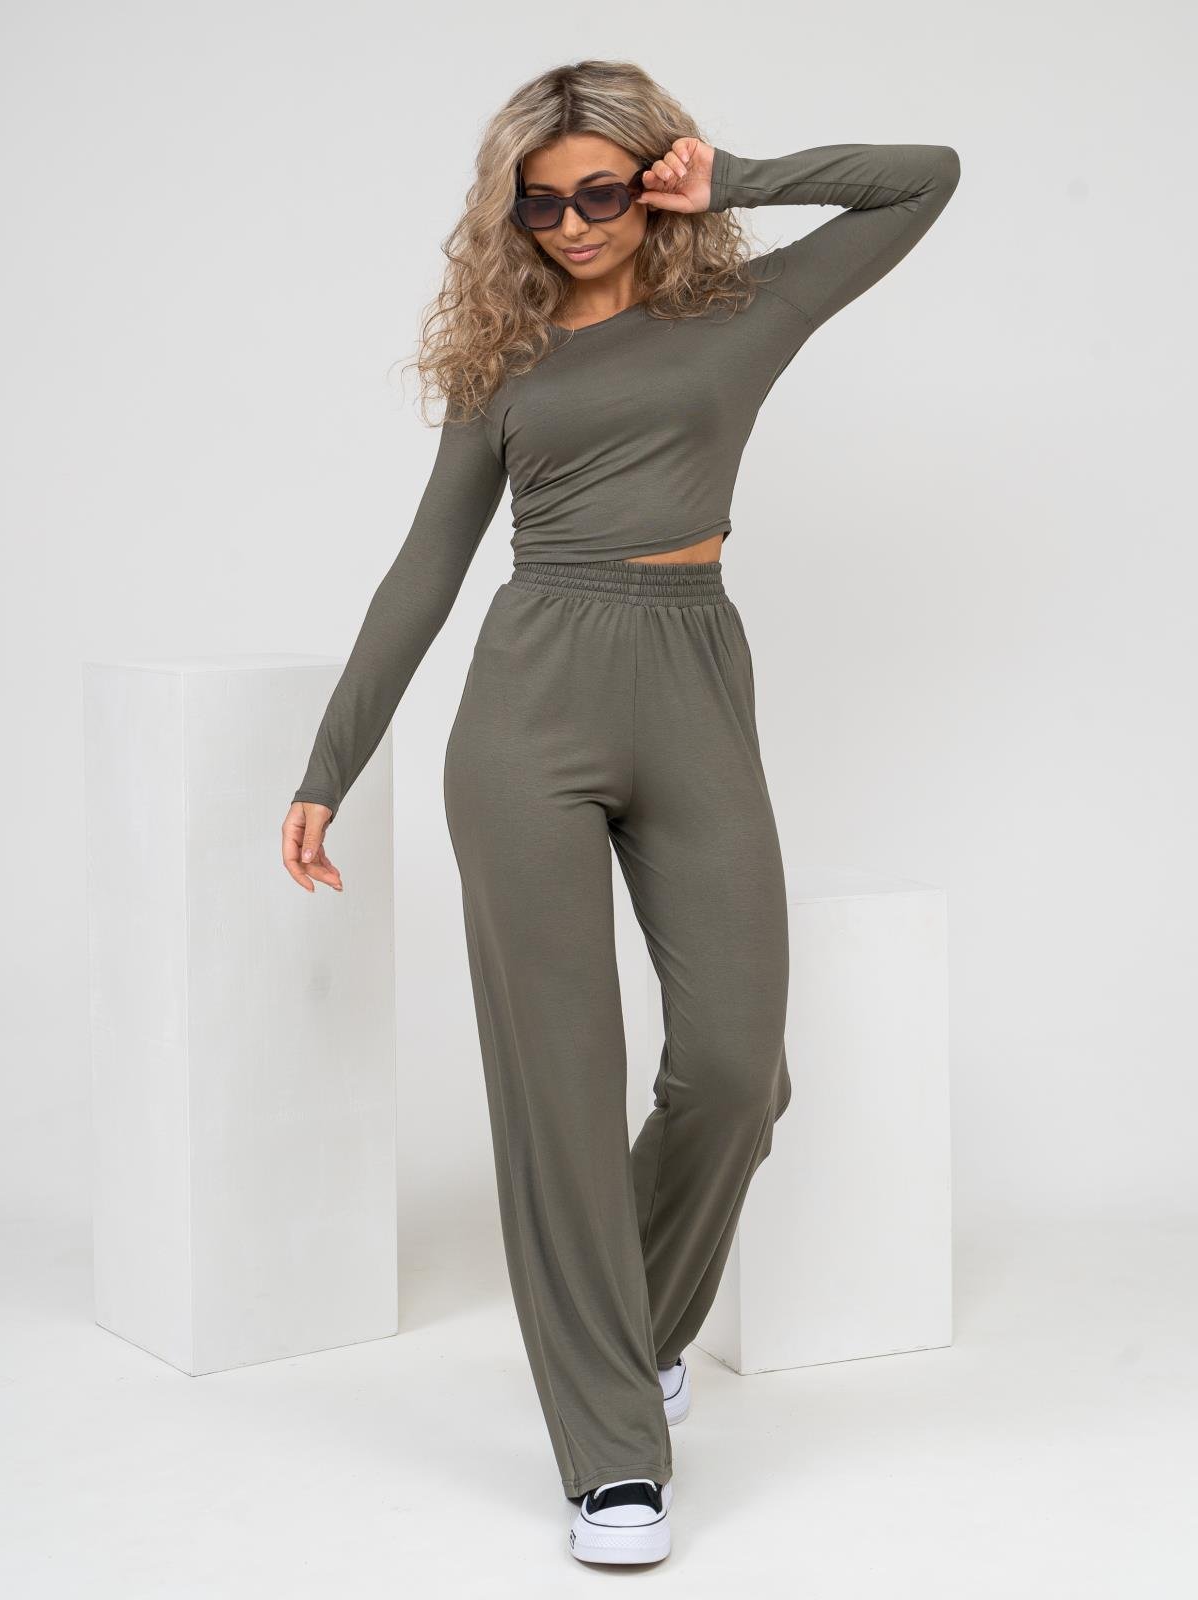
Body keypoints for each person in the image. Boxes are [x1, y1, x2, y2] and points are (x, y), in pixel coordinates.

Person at [282, 57, 960, 1566]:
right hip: (529, 704)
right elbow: (426, 567)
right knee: (562, 1092)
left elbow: (927, 177)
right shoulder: (505, 361)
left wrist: (741, 178)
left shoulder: (747, 309)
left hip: (695, 674)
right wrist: (332, 762)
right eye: (544, 201)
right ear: (511, 212)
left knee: (735, 1068)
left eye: (603, 189)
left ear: (652, 180)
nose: (577, 222)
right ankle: (609, 1457)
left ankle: (630, 1330)